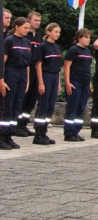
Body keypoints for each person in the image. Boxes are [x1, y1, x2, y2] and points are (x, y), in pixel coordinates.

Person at [1, 17, 33, 149]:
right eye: (25, 28)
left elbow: (28, 65)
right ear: (17, 26)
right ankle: (1, 136)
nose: (27, 30)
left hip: (22, 74)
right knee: (7, 106)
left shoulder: (27, 42)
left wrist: (27, 80)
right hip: (11, 72)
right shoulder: (9, 41)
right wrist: (1, 80)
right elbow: (2, 62)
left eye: (28, 28)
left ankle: (9, 135)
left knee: (17, 106)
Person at [33, 23, 63, 146]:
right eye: (55, 32)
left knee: (50, 105)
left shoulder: (57, 47)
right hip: (46, 75)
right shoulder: (43, 46)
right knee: (43, 105)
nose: (58, 34)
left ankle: (44, 131)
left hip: (55, 76)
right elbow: (38, 65)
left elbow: (58, 67)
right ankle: (38, 134)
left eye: (59, 32)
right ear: (49, 32)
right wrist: (41, 82)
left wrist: (59, 82)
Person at [63, 28, 93, 142]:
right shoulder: (73, 50)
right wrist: (67, 82)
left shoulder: (87, 51)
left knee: (81, 107)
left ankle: (76, 131)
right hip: (75, 82)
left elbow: (88, 68)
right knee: (73, 107)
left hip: (85, 82)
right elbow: (67, 66)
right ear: (79, 38)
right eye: (86, 37)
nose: (88, 40)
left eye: (89, 37)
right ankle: (69, 132)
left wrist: (89, 82)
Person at [16, 11, 43, 137]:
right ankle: (16, 124)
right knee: (23, 97)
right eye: (35, 20)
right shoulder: (25, 37)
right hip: (25, 68)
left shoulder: (39, 38)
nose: (37, 23)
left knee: (32, 99)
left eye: (39, 20)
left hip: (36, 69)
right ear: (29, 20)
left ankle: (24, 124)